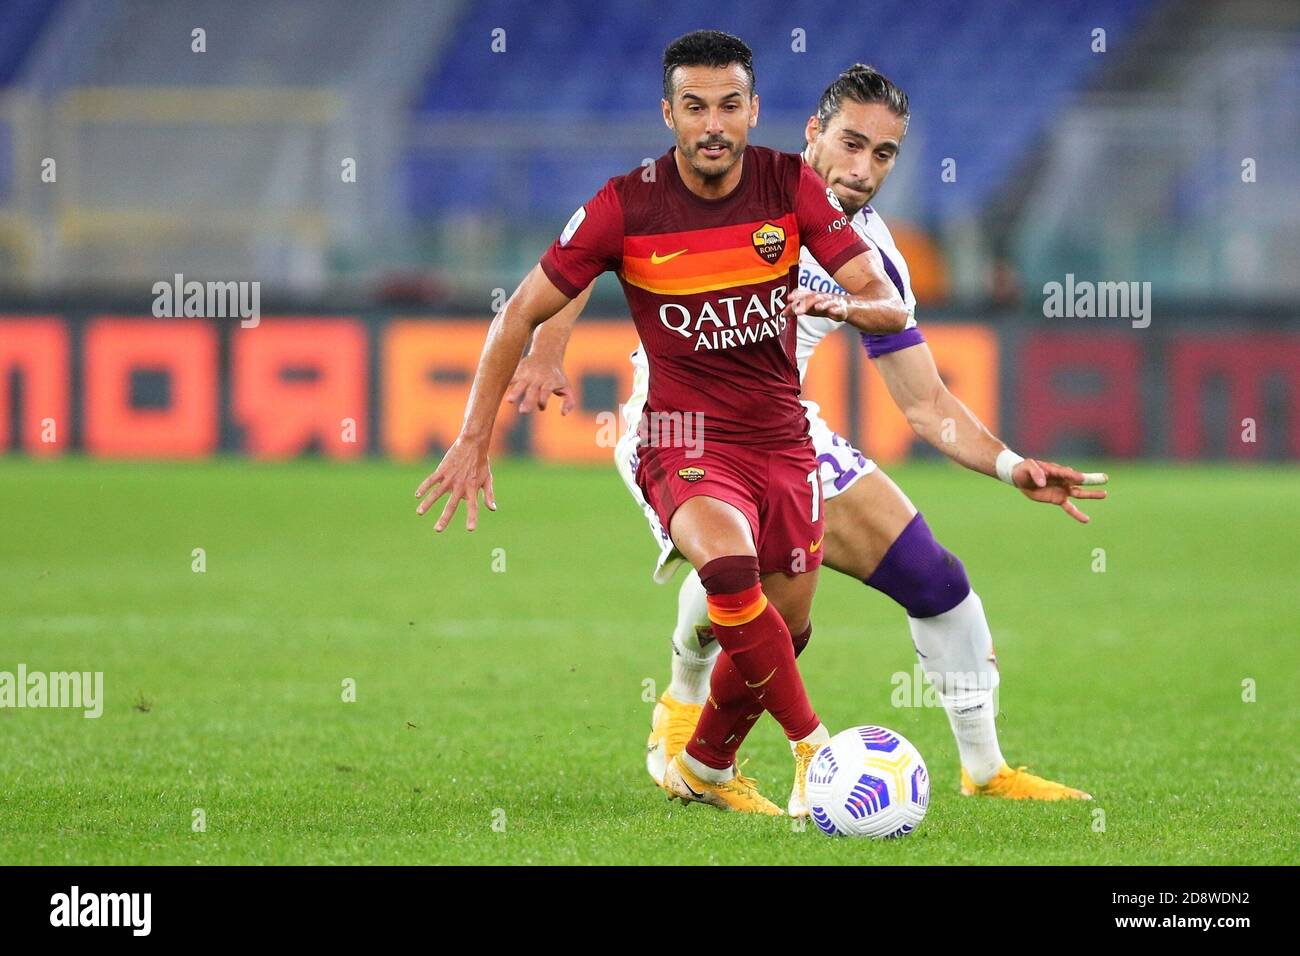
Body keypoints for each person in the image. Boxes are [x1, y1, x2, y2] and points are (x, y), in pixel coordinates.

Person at [508, 64, 1107, 815]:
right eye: (850, 143)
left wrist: (1012, 464)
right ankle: (693, 716)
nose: (862, 169)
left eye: (883, 155)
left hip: (785, 431)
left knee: (937, 583)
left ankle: (985, 769)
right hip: (676, 424)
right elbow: (599, 244)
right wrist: (545, 345)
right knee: (751, 581)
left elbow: (924, 403)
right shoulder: (739, 194)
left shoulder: (873, 257)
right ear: (812, 133)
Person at [417, 34, 912, 814]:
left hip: (781, 439)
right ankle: (816, 750)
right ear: (669, 113)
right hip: (679, 432)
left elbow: (891, 302)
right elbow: (521, 308)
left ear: (752, 111)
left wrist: (841, 304)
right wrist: (475, 435)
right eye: (694, 106)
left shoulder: (793, 189)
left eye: (728, 106)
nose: (712, 124)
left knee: (787, 622)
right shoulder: (626, 204)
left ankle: (706, 767)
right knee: (725, 570)